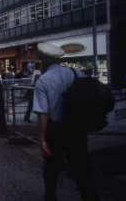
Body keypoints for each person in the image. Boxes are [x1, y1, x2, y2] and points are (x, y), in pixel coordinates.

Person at [33, 43, 100, 201]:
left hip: (55, 130)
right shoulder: (75, 73)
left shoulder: (43, 80)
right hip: (76, 129)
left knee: (51, 168)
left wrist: (42, 139)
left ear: (44, 60)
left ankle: (51, 196)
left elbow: (43, 113)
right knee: (82, 168)